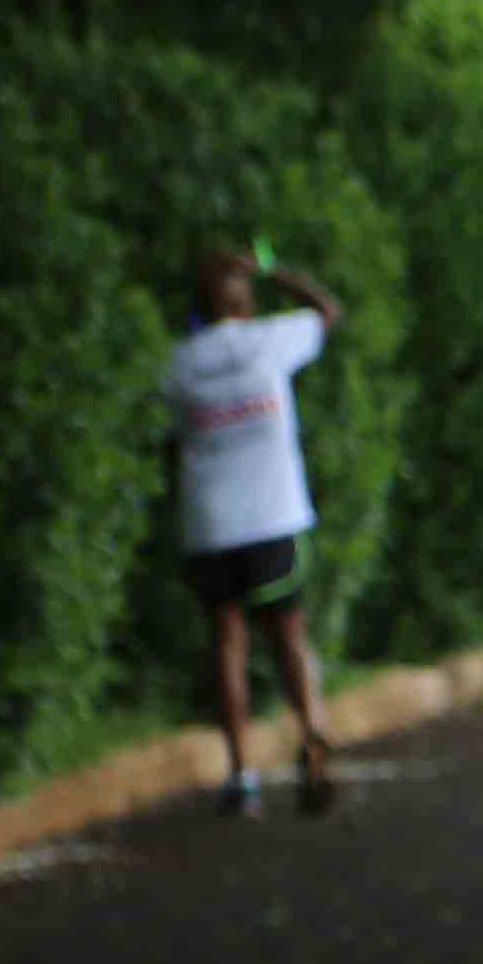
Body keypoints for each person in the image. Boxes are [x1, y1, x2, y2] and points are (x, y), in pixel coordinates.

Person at [163, 239, 350, 818]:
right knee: (289, 633)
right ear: (244, 305)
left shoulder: (177, 363)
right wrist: (273, 269)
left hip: (211, 524)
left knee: (228, 643)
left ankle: (242, 774)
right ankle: (312, 734)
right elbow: (328, 312)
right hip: (274, 520)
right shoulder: (271, 341)